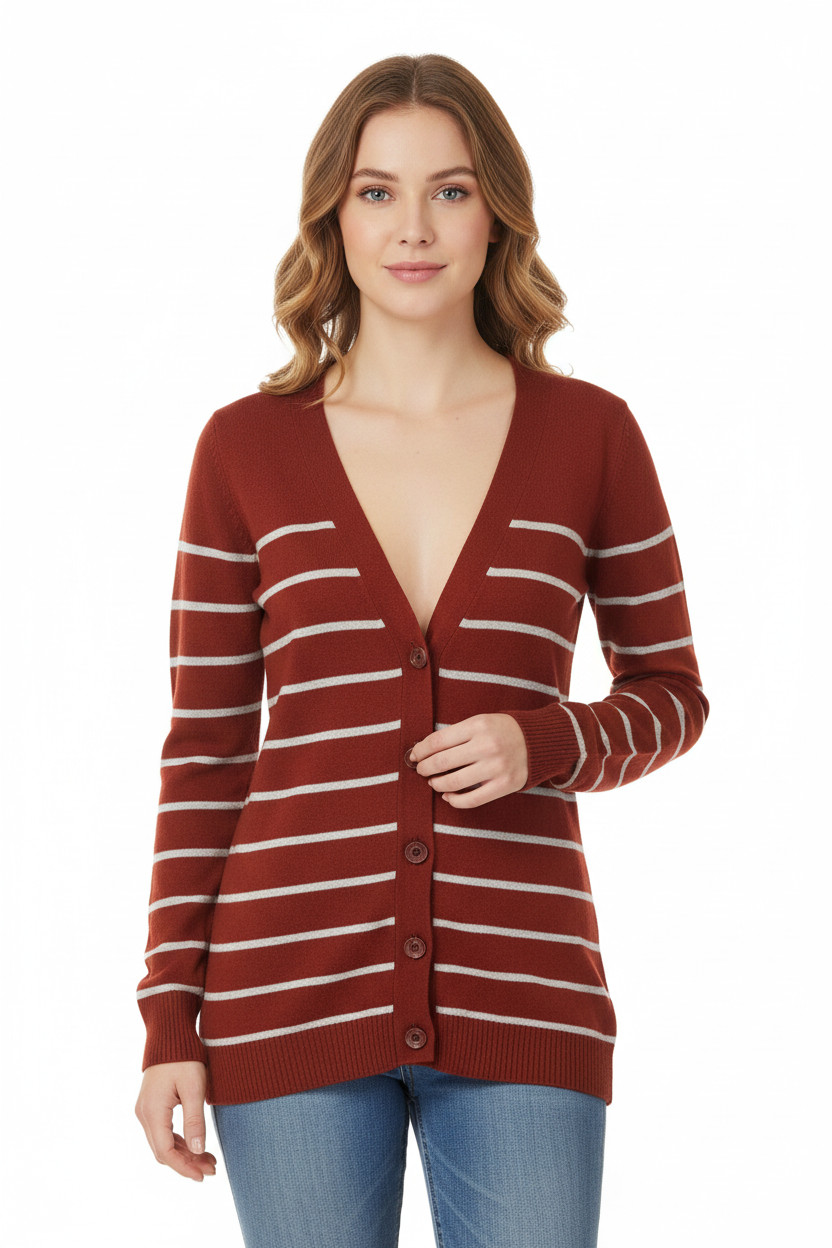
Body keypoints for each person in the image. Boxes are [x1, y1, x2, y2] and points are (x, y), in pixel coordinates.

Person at [134, 53, 709, 1248]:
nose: (412, 227)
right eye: (375, 192)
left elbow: (671, 692)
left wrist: (545, 741)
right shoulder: (244, 448)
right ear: (331, 219)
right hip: (282, 991)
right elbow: (206, 751)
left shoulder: (590, 434)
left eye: (449, 190)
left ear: (496, 213)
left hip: (526, 991)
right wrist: (169, 1019)